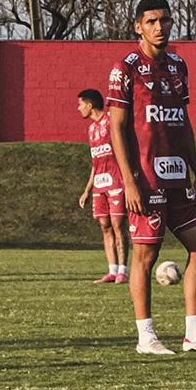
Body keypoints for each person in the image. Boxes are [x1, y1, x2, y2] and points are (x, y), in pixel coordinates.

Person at [107, 0, 196, 354]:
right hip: (145, 179)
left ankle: (195, 334)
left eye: (164, 20)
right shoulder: (126, 68)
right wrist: (129, 181)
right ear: (137, 26)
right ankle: (146, 337)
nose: (159, 27)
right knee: (145, 257)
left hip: (178, 176)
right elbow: (116, 128)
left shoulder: (178, 66)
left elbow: (184, 122)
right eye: (151, 21)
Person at [76, 88, 128, 284]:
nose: (78, 108)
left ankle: (123, 271)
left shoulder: (111, 123)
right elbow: (95, 162)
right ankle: (112, 270)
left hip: (117, 182)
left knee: (118, 225)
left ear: (90, 105)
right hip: (100, 184)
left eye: (80, 104)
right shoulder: (91, 130)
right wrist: (87, 189)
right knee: (105, 226)